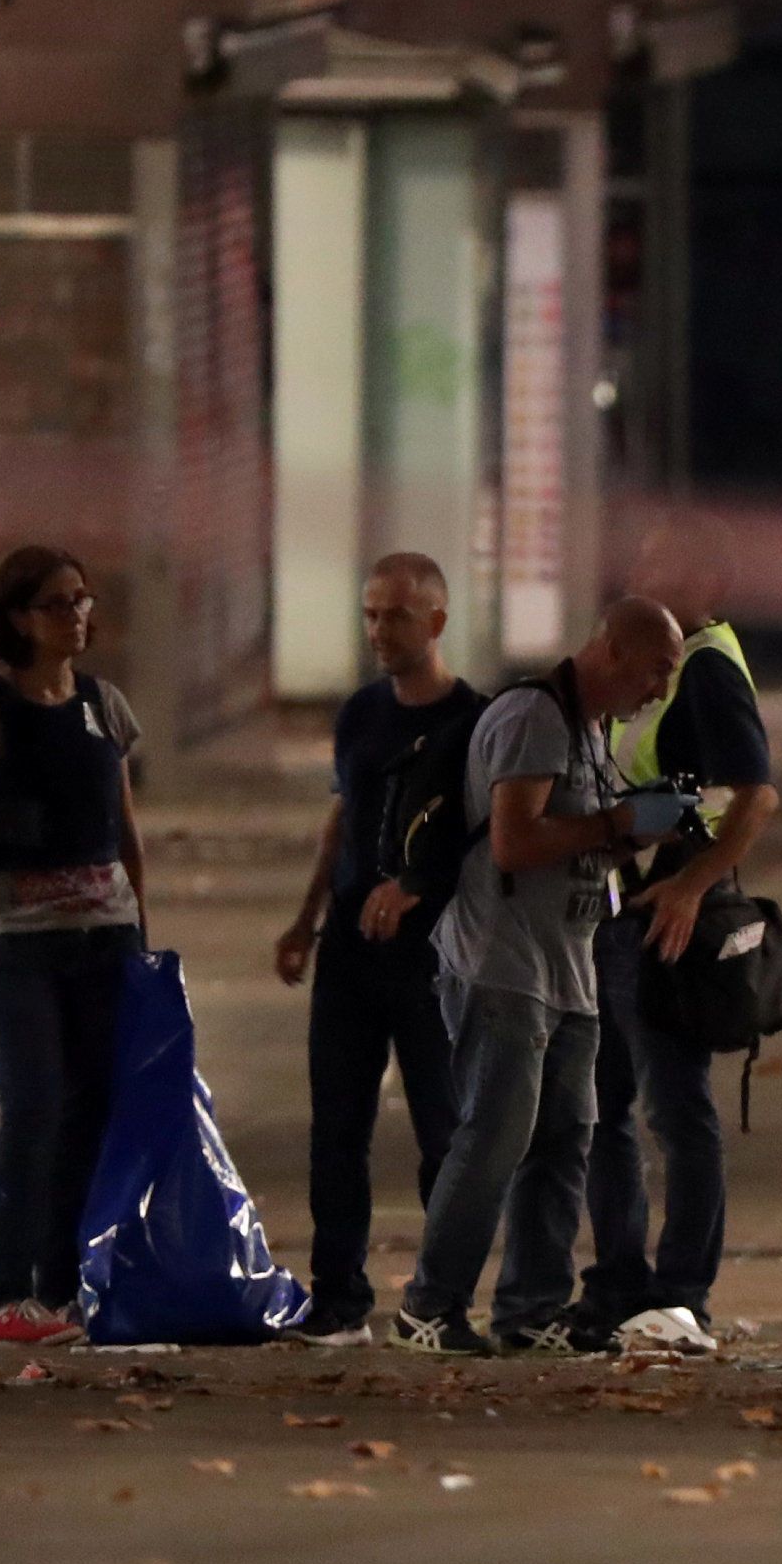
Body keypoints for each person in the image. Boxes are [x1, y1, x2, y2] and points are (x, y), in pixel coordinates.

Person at [394, 597, 689, 1356]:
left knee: (563, 1140)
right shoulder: (534, 716)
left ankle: (530, 1310)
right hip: (502, 963)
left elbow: (576, 844)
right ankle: (429, 1305)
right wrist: (617, 823)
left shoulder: (591, 728)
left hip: (567, 965)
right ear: (613, 650)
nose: (660, 689)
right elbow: (515, 842)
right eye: (657, 669)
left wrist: (640, 831)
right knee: (495, 1139)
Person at [0, 545, 149, 1346]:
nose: (76, 614)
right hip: (13, 944)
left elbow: (124, 829)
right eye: (58, 603)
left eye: (83, 599)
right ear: (19, 617)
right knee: (34, 1104)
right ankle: (10, 1284)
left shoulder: (103, 704)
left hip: (103, 937)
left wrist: (141, 936)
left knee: (92, 1109)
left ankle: (62, 1286)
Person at [576, 520, 779, 1350]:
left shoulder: (706, 668)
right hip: (626, 908)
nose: (638, 567)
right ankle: (619, 1285)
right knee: (605, 1108)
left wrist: (692, 886)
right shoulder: (669, 662)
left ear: (706, 582)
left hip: (668, 920)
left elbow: (754, 796)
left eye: (658, 560)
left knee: (674, 1108)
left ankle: (680, 1292)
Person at [273, 554, 482, 1345]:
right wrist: (307, 918)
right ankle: (338, 1297)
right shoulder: (361, 713)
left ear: (436, 620)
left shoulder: (474, 720)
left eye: (396, 615)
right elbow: (344, 815)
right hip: (351, 950)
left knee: (442, 1129)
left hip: (432, 957)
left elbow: (483, 839)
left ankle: (440, 1297)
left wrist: (419, 887)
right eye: (370, 614)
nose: (379, 631)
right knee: (337, 1128)